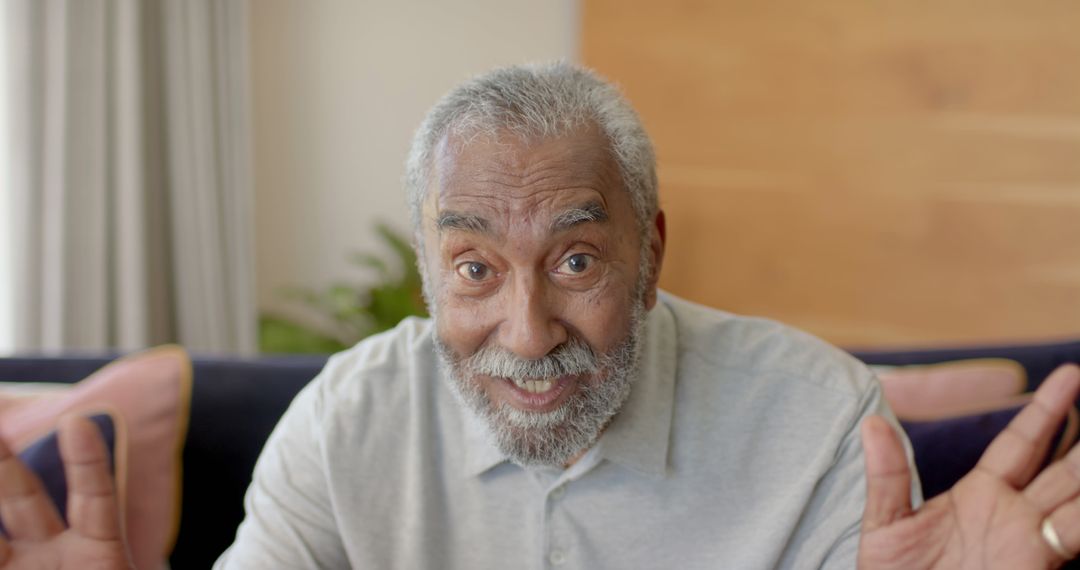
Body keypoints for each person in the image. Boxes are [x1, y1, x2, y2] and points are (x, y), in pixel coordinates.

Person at [0, 62, 1078, 569]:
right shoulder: (349, 419)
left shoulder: (818, 421)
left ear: (649, 254)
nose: (526, 333)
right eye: (473, 267)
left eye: (574, 258)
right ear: (428, 270)